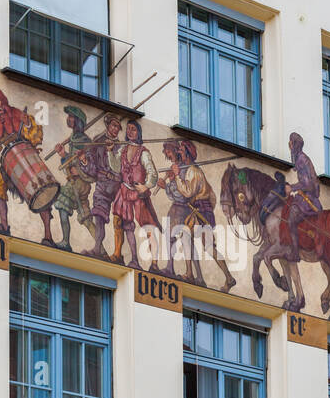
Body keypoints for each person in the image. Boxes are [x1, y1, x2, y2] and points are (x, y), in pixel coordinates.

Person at [0, 86, 57, 244]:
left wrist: (27, 125)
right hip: (9, 163)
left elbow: (34, 132)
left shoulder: (17, 114)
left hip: (27, 158)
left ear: (3, 100)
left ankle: (48, 234)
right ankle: (5, 226)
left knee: (40, 189)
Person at [160, 139, 234, 290]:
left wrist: (177, 177)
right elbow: (211, 196)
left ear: (187, 153)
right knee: (191, 238)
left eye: (181, 150)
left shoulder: (193, 171)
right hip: (200, 212)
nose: (179, 152)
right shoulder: (191, 169)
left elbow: (187, 192)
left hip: (201, 213)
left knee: (206, 245)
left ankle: (225, 276)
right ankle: (194, 274)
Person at [111, 119, 162, 268]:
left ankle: (154, 263)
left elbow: (152, 173)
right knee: (118, 221)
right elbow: (115, 166)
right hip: (124, 190)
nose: (129, 131)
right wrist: (109, 152)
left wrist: (146, 186)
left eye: (133, 129)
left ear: (138, 132)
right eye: (128, 129)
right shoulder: (123, 150)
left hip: (138, 192)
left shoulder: (143, 152)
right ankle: (118, 254)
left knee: (148, 227)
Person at [48, 106, 95, 251]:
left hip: (80, 183)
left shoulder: (84, 141)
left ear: (78, 121)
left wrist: (79, 167)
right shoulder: (74, 138)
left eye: (72, 117)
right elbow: (71, 163)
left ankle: (66, 242)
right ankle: (102, 249)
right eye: (68, 116)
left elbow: (91, 167)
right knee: (85, 217)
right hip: (76, 182)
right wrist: (63, 155)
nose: (69, 119)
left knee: (62, 204)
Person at [84, 114, 125, 261]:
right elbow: (91, 167)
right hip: (102, 183)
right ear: (108, 126)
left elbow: (122, 167)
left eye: (117, 127)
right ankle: (97, 248)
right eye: (113, 126)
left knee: (120, 219)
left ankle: (118, 253)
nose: (115, 129)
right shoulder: (97, 142)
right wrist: (84, 161)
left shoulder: (121, 146)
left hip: (117, 185)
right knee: (99, 216)